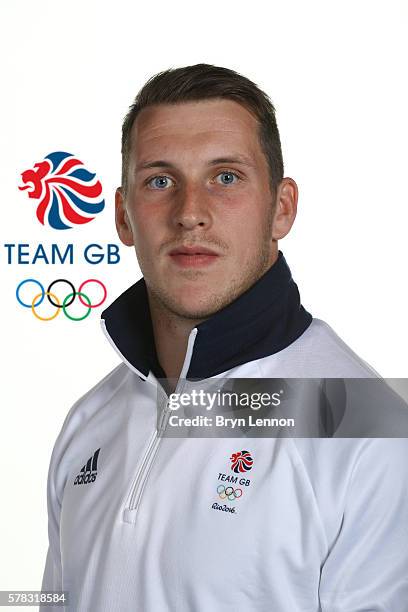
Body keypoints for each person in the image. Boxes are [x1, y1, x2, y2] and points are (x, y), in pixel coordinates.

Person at [41, 64, 408, 611]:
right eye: (160, 181)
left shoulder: (365, 431)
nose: (190, 213)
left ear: (281, 208)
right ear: (123, 215)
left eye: (226, 177)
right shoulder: (89, 419)